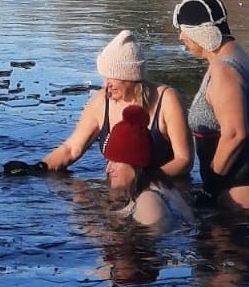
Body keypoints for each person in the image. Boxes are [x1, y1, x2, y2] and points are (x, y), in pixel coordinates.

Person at [174, 0, 249, 211]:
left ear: (203, 33)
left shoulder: (224, 70)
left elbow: (235, 134)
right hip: (245, 182)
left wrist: (211, 186)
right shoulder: (235, 56)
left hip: (245, 189)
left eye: (184, 31)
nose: (181, 38)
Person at [39, 31, 193, 186]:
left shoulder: (166, 99)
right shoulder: (102, 100)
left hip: (163, 187)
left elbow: (184, 160)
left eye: (113, 78)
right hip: (118, 186)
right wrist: (38, 168)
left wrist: (146, 181)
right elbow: (72, 149)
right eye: (105, 78)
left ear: (132, 78)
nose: (107, 85)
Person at [103, 105, 193, 229]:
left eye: (115, 161)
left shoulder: (149, 200)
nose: (108, 169)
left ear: (136, 163)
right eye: (108, 162)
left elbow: (149, 242)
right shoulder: (159, 186)